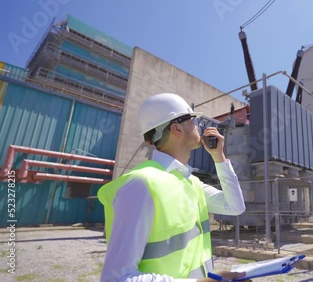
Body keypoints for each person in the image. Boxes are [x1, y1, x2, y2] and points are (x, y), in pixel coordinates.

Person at [98, 93, 247, 282]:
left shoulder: (190, 182)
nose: (198, 126)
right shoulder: (141, 185)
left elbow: (235, 206)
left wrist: (220, 158)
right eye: (193, 121)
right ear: (177, 128)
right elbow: (115, 278)